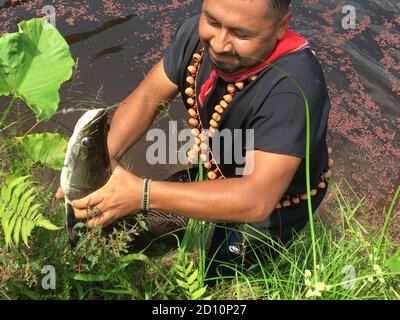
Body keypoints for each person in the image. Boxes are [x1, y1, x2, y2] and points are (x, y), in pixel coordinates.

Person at [56, 0, 331, 283]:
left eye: (242, 34)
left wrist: (143, 193)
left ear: (280, 26)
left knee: (214, 277)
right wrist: (97, 164)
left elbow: (256, 199)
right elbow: (150, 95)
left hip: (274, 205)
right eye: (212, 22)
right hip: (219, 167)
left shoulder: (294, 89)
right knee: (142, 232)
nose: (221, 44)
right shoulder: (197, 38)